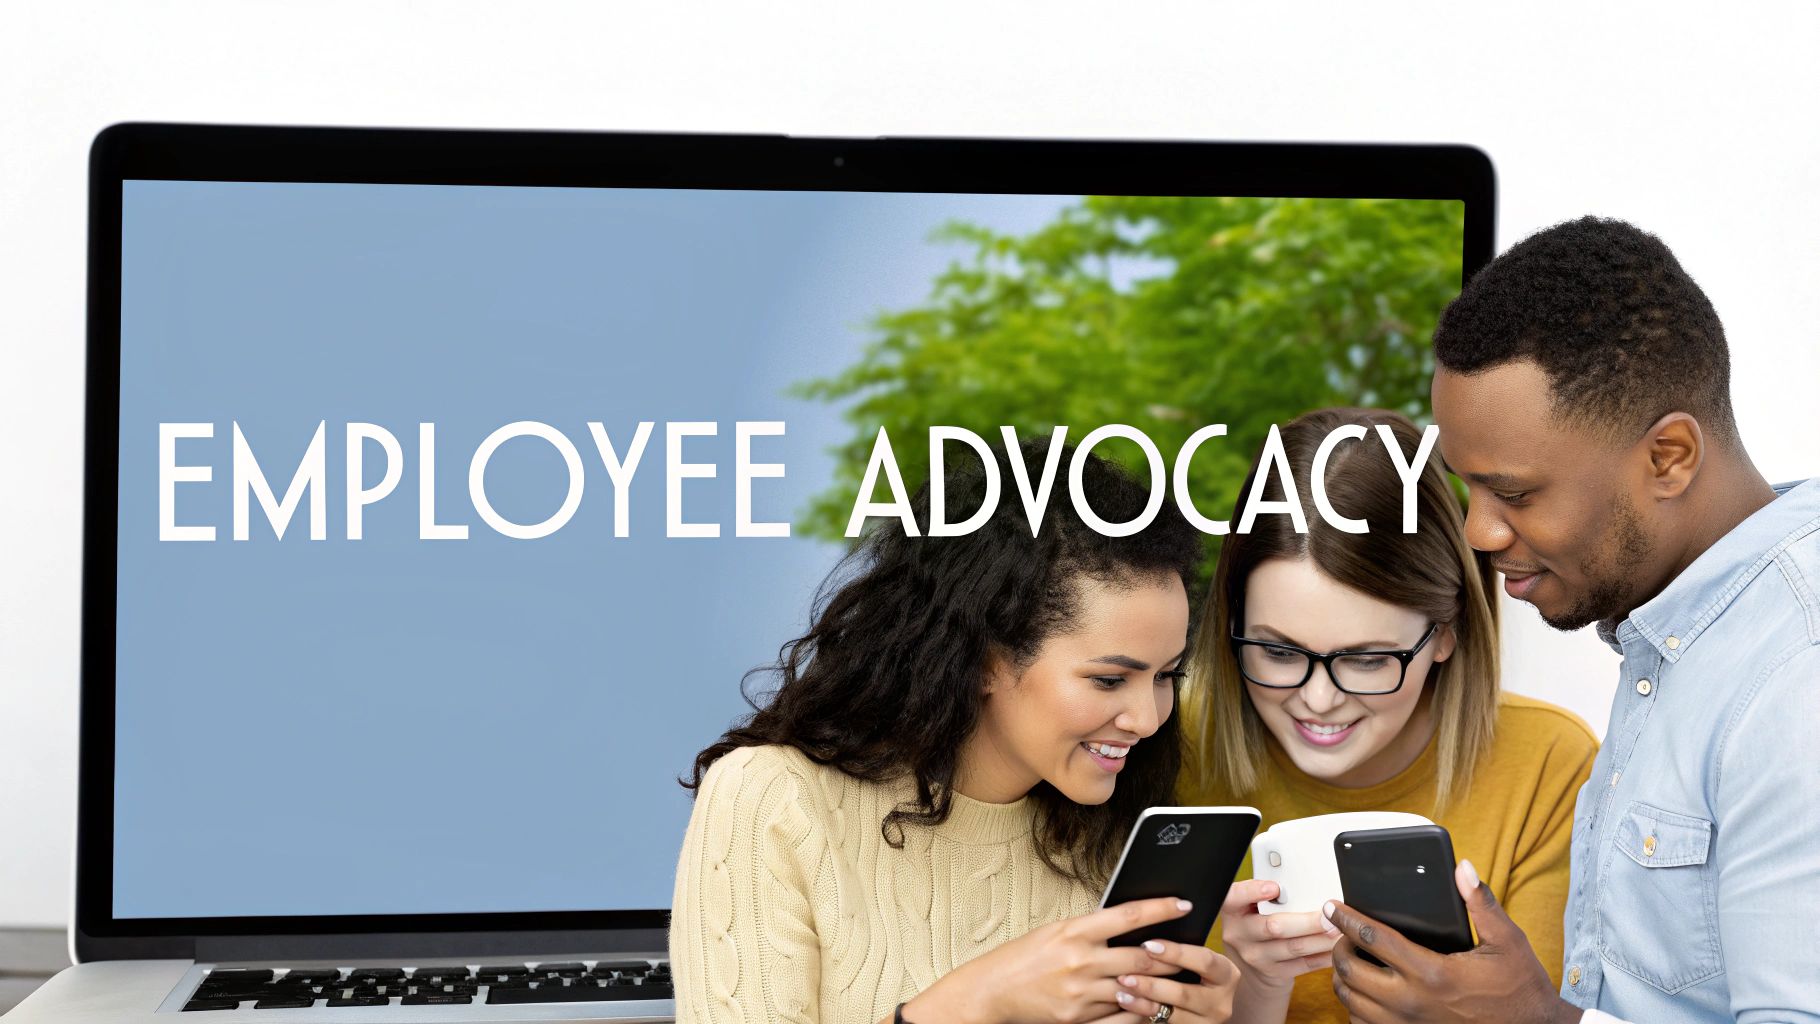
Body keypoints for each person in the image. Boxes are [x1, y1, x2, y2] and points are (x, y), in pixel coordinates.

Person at [1320, 216, 1820, 1023]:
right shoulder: (1682, 636)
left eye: (1514, 493)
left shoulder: (1798, 674)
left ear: (1669, 458)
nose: (1479, 532)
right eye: (1466, 488)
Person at [670, 440, 1241, 1024]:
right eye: (1109, 679)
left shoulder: (1113, 837)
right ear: (986, 660)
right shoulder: (773, 800)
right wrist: (975, 1003)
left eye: (1167, 676)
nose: (1147, 719)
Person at [1177, 407, 1598, 1024]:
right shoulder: (1166, 747)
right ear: (1231, 627)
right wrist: (1258, 991)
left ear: (1446, 632)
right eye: (1277, 651)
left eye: (1368, 660)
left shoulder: (1547, 763)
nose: (1318, 700)